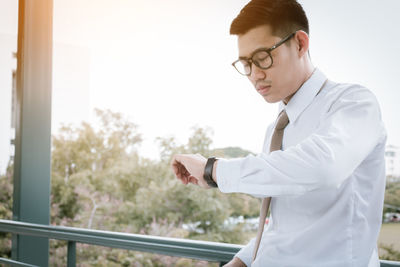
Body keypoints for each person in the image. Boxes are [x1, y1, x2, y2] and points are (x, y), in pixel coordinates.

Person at [171, 0, 386, 266]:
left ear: (300, 44)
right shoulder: (275, 130)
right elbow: (283, 225)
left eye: (262, 58)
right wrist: (241, 261)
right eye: (246, 63)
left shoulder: (353, 103)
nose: (254, 75)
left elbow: (322, 167)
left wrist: (213, 170)